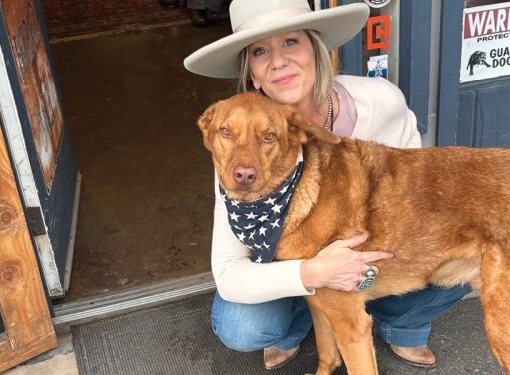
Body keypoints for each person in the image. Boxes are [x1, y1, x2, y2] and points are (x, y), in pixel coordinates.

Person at [184, 0, 471, 370]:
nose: (278, 61)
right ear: (252, 73)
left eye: (291, 42)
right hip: (291, 267)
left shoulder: (380, 101)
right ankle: (297, 322)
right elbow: (228, 272)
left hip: (378, 253)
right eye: (260, 51)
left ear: (318, 51)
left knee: (463, 240)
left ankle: (402, 326)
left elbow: (419, 191)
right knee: (243, 324)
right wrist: (313, 273)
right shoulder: (241, 153)